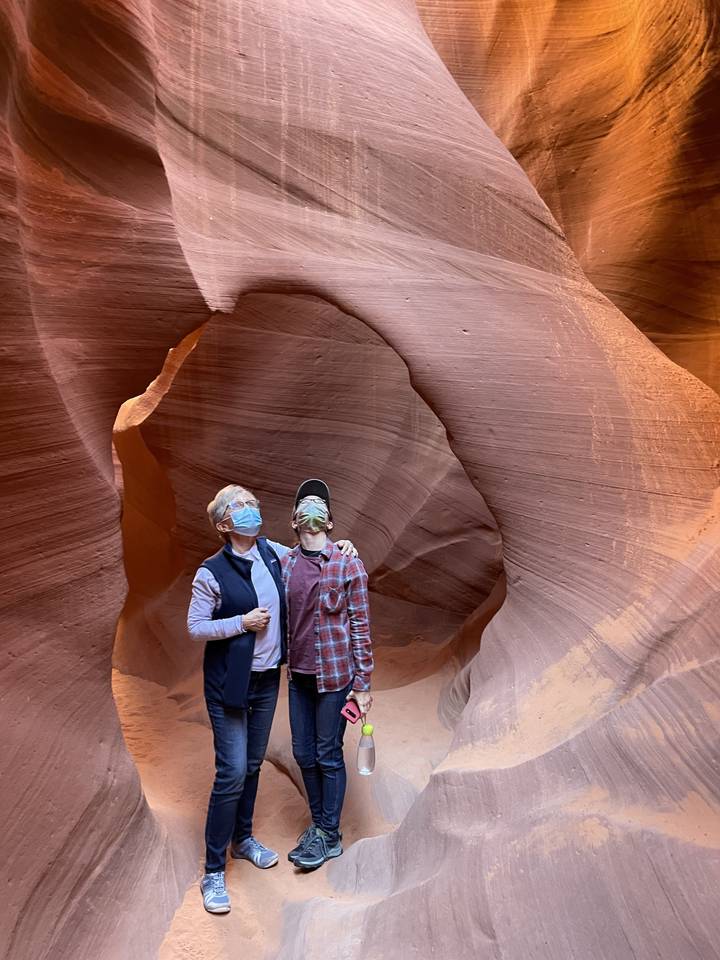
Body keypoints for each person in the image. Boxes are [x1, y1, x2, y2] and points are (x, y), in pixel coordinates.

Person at [187, 484, 357, 914]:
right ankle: (212, 870)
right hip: (230, 683)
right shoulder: (210, 571)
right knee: (231, 772)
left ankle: (243, 839)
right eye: (240, 506)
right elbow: (196, 627)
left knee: (252, 764)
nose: (251, 510)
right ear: (224, 523)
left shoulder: (269, 552)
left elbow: (311, 549)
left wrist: (343, 546)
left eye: (252, 503)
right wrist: (240, 623)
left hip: (266, 683)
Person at [282, 479, 374, 871]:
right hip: (299, 676)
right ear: (294, 521)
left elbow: (360, 624)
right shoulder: (284, 564)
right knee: (303, 753)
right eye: (305, 504)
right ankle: (321, 825)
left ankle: (328, 833)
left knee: (327, 754)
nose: (312, 510)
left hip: (335, 677)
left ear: (331, 523)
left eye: (319, 505)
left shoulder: (347, 561)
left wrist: (363, 685)